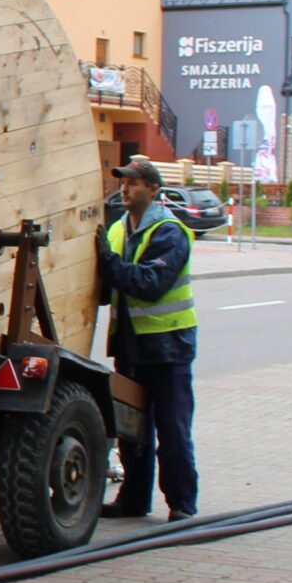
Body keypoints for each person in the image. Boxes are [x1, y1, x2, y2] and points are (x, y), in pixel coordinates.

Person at [101, 160, 198, 522]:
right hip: (130, 345)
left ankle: (182, 504)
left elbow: (150, 284)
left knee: (172, 431)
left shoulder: (170, 232)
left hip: (168, 346)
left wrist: (108, 263)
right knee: (132, 431)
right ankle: (134, 500)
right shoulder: (115, 231)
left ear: (154, 189)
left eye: (136, 183)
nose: (126, 190)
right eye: (124, 183)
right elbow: (103, 284)